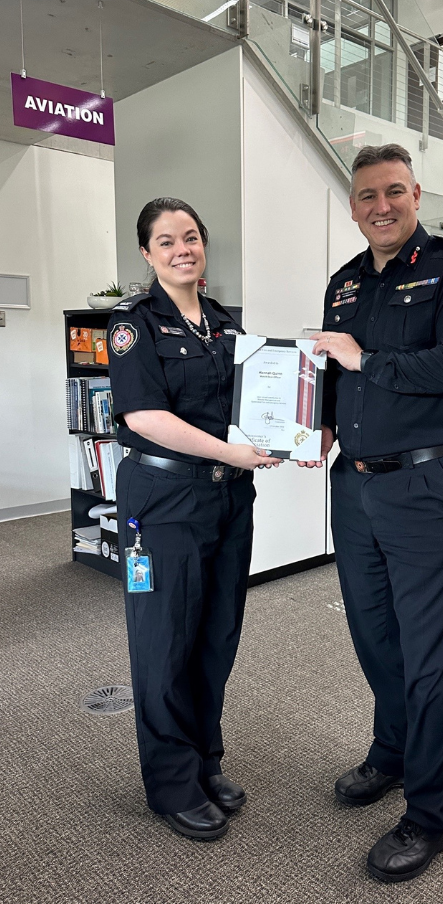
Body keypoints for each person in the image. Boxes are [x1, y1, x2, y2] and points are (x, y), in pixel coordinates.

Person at [311, 144, 443, 881]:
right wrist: (311, 427)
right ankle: (391, 753)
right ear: (353, 207)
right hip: (353, 488)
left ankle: (430, 814)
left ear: (415, 194)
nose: (380, 207)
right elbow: (331, 374)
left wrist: (366, 361)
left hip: (426, 485)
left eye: (393, 192)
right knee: (374, 637)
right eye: (366, 197)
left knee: (429, 657)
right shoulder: (345, 282)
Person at [106, 198, 284, 841]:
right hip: (164, 506)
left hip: (227, 500)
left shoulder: (222, 323)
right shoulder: (133, 324)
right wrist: (233, 452)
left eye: (191, 236)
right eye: (166, 240)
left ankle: (205, 762)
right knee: (164, 644)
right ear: (148, 255)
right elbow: (143, 418)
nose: (182, 248)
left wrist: (288, 435)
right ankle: (171, 782)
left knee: (215, 638)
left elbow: (252, 404)